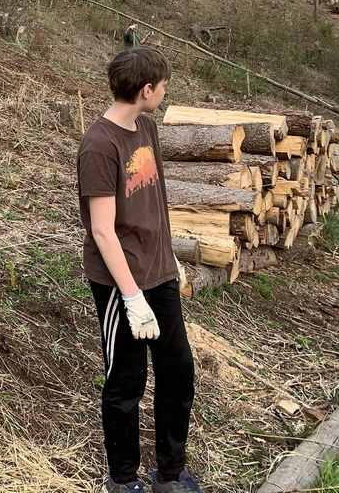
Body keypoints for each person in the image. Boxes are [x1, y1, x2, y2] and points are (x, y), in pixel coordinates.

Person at [76, 46, 202, 493]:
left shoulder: (146, 127)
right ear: (146, 90)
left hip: (158, 270)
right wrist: (131, 297)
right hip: (119, 281)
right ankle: (124, 480)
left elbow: (152, 202)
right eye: (163, 86)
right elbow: (103, 230)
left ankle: (170, 473)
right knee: (127, 382)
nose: (165, 92)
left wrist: (169, 258)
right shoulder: (99, 145)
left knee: (177, 369)